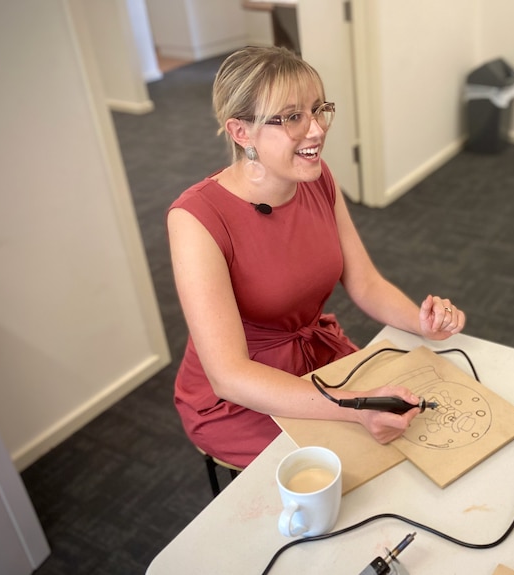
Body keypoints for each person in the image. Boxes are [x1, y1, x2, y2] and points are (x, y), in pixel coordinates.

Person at [167, 46, 466, 468]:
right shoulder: (196, 217)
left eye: (318, 109)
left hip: (315, 359)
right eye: (291, 117)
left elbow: (365, 283)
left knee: (406, 432)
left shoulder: (317, 177)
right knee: (353, 461)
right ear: (241, 132)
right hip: (241, 396)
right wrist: (353, 406)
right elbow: (229, 375)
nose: (316, 130)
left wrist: (421, 322)